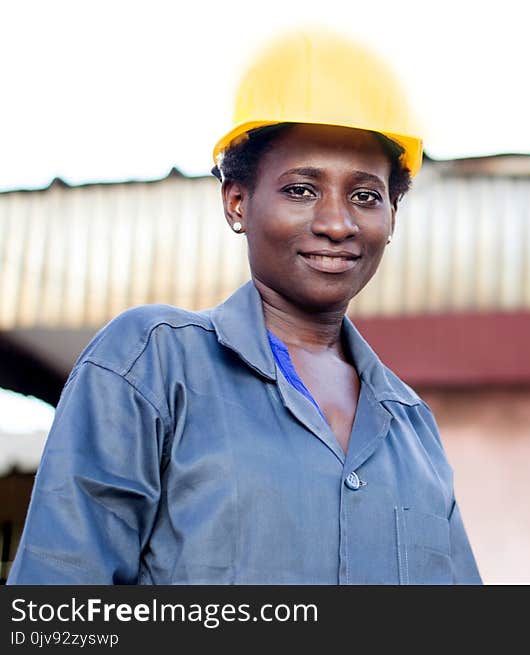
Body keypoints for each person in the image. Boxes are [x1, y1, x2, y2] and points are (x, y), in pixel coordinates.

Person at [8, 29, 481, 585]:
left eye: (366, 196)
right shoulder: (151, 366)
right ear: (237, 202)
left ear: (392, 218)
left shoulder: (411, 427)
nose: (336, 223)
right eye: (301, 189)